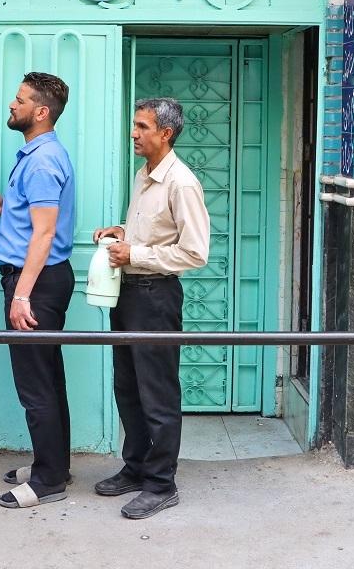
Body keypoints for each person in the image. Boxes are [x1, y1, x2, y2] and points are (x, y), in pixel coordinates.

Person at [92, 97, 210, 520]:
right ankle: (137, 466)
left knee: (157, 392)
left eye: (142, 127)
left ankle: (162, 484)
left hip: (157, 296)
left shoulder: (181, 182)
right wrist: (121, 232)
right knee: (128, 386)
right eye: (134, 125)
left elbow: (195, 253)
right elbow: (152, 233)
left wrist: (135, 255)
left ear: (166, 133)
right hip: (129, 293)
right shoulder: (145, 175)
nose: (134, 133)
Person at [0, 72, 77, 510]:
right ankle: (52, 463)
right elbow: (34, 219)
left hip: (35, 285)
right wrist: (8, 207)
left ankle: (48, 480)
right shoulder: (41, 154)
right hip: (43, 280)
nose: (11, 104)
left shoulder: (40, 161)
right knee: (48, 377)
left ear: (40, 112)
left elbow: (43, 235)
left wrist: (21, 295)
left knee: (36, 384)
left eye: (19, 100)